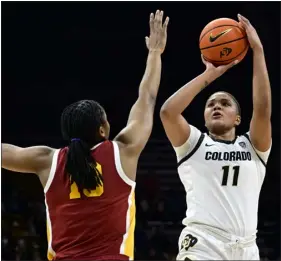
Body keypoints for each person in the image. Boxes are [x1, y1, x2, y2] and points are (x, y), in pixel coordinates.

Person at [2, 10, 169, 261]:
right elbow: (147, 97)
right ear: (102, 129)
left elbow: (5, 152)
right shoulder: (123, 151)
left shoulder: (47, 160)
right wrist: (155, 53)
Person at [160, 14, 271, 260]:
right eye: (210, 104)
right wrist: (210, 75)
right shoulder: (194, 143)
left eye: (224, 103)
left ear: (238, 119)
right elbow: (168, 112)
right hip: (203, 244)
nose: (216, 107)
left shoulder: (254, 146)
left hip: (247, 248)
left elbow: (262, 108)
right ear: (204, 116)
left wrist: (258, 50)